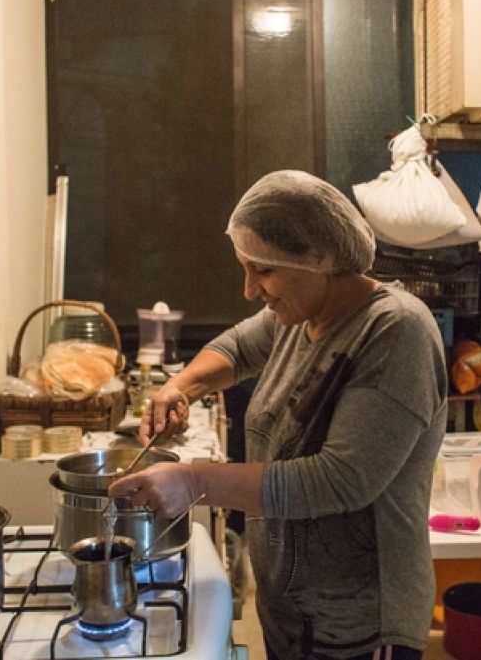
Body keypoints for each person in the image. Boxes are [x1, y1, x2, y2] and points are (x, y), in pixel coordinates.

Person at [108, 169, 448, 660]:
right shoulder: (301, 313)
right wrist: (180, 386)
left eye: (262, 271)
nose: (250, 290)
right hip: (293, 611)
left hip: (358, 626)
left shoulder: (395, 331)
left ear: (320, 256)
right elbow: (236, 347)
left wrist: (192, 482)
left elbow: (339, 481)